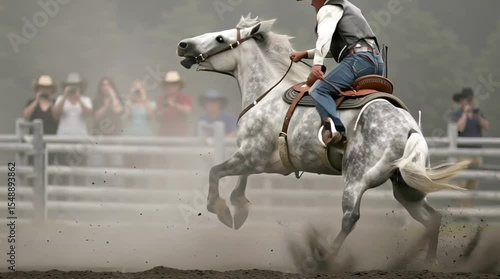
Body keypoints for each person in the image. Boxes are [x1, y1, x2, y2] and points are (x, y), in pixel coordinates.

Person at [291, 0, 384, 146]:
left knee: (319, 90)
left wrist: (317, 65)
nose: (311, 4)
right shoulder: (349, 8)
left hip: (358, 61)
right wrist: (304, 54)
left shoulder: (328, 8)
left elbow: (324, 38)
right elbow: (338, 47)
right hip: (376, 62)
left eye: (312, 0)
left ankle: (336, 130)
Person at [52, 72, 93, 185]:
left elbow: (88, 114)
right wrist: (65, 96)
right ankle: (61, 201)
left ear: (80, 86)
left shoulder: (86, 100)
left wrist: (78, 98)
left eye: (76, 85)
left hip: (80, 144)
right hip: (62, 143)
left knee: (80, 177)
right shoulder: (60, 99)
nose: (73, 87)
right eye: (70, 85)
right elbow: (55, 115)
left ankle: (79, 201)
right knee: (62, 177)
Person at [451, 88, 489, 207]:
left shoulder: (478, 113)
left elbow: (486, 126)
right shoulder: (457, 114)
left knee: (473, 183)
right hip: (463, 154)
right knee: (462, 183)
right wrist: (465, 114)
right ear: (462, 101)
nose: (469, 102)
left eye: (471, 100)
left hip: (476, 153)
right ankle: (459, 209)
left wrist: (477, 116)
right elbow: (460, 128)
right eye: (467, 100)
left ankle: (468, 209)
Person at [23, 74, 59, 165]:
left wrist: (50, 102)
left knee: (49, 168)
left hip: (51, 141)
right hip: (34, 140)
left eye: (47, 88)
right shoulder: (31, 102)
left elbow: (56, 117)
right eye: (42, 88)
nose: (45, 90)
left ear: (51, 89)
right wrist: (36, 100)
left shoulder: (55, 103)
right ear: (38, 89)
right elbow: (25, 116)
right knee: (33, 166)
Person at [156, 71, 193, 137]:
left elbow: (188, 111)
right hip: (164, 135)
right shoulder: (161, 99)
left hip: (181, 135)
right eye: (169, 84)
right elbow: (157, 117)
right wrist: (165, 108)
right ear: (166, 86)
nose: (172, 86)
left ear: (179, 86)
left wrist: (174, 105)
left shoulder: (185, 98)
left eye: (174, 84)